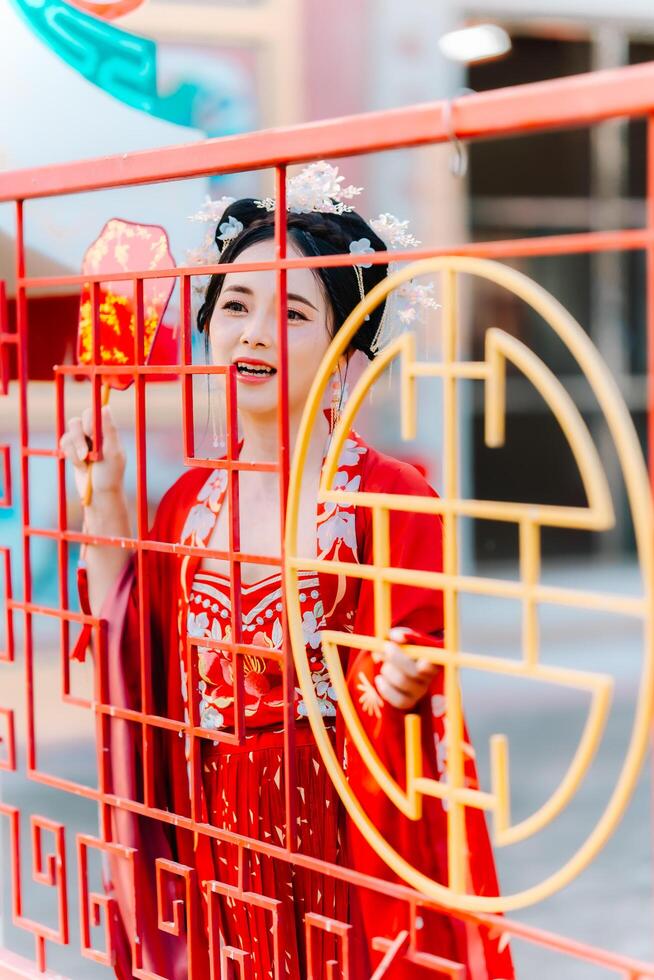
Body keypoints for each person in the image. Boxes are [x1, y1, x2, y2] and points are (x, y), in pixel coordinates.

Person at [60, 164, 514, 979]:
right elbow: (133, 640)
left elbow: (414, 655)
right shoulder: (189, 500)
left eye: (293, 311)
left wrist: (399, 678)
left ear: (347, 341)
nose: (255, 332)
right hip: (215, 835)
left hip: (341, 841)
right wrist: (107, 492)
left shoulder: (389, 495)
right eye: (235, 306)